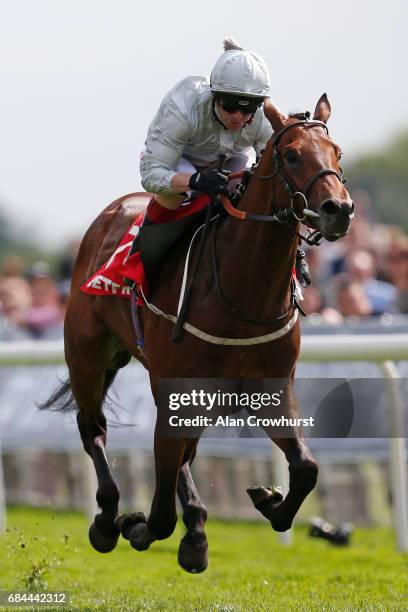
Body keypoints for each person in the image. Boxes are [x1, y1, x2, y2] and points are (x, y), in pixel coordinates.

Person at [138, 37, 273, 228]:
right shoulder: (182, 109)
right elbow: (151, 175)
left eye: (247, 108)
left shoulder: (263, 117)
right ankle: (142, 249)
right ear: (214, 95)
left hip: (233, 159)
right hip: (182, 163)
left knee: (251, 186)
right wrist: (195, 180)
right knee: (175, 195)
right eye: (230, 105)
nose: (237, 116)